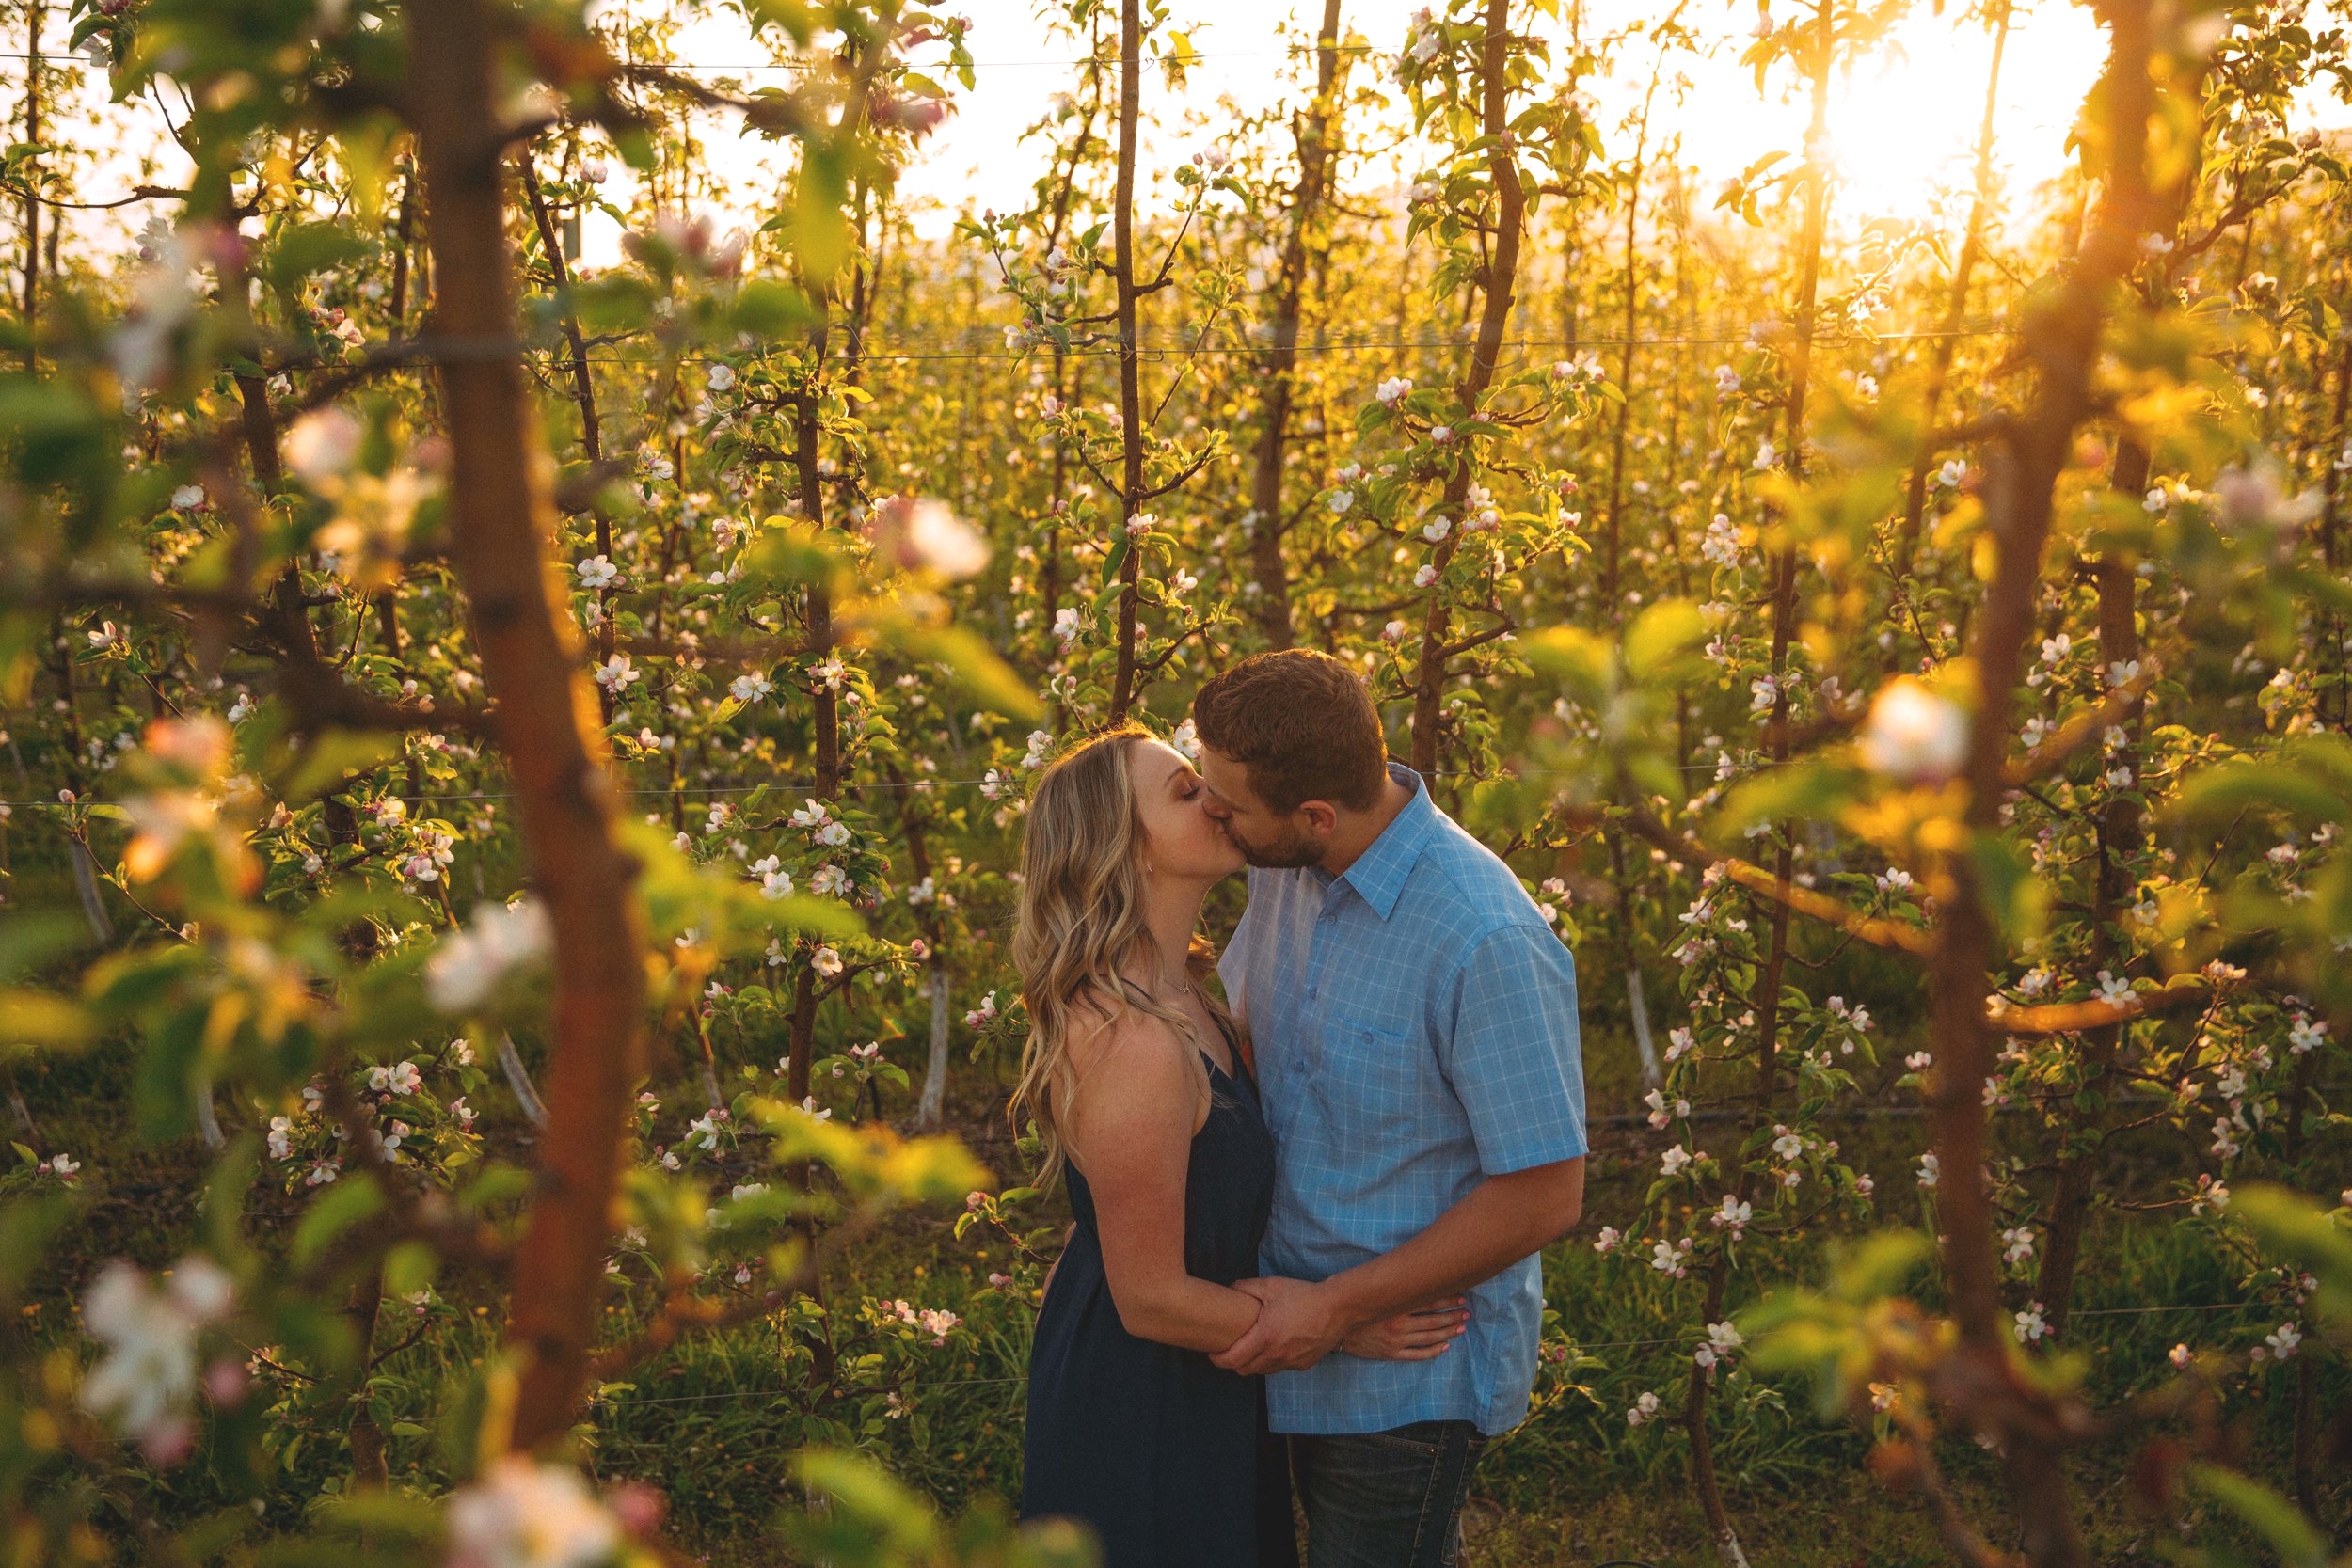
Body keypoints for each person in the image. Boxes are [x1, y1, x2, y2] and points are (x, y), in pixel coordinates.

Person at [1012, 723, 1466, 1568]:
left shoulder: (1189, 993)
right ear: (1127, 848)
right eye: (1186, 792)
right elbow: (1148, 1295)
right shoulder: (1135, 1041)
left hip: (1209, 1371)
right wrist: (1336, 1323)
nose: (1216, 801)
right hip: (1145, 1391)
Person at [1192, 651, 1589, 1568]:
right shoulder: (1284, 863)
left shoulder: (1484, 936)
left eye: (1228, 802)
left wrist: (1336, 1306)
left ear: (1315, 814)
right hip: (1285, 1326)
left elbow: (1543, 1194)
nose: (1214, 811)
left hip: (1401, 1365)